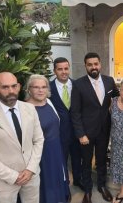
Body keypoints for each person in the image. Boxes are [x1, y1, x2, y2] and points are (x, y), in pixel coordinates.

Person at [0, 72, 44, 203]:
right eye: (5, 87)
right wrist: (14, 176)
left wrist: (30, 169)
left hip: (32, 175)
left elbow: (39, 140)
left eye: (14, 86)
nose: (11, 91)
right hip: (4, 182)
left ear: (19, 86)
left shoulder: (30, 109)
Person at [70, 52, 120, 203]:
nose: (93, 67)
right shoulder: (78, 84)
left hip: (104, 129)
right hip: (86, 132)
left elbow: (118, 96)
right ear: (85, 66)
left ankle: (102, 186)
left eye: (95, 64)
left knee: (102, 159)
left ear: (100, 64)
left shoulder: (109, 81)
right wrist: (80, 134)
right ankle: (87, 190)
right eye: (90, 64)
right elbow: (75, 111)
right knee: (86, 161)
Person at [26, 74, 70, 203]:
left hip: (55, 148)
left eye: (44, 87)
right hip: (40, 153)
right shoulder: (26, 108)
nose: (40, 90)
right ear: (29, 90)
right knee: (45, 181)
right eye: (36, 87)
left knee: (56, 178)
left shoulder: (49, 102)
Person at [49, 57, 83, 189]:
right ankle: (64, 184)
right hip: (58, 132)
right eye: (60, 69)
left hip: (76, 131)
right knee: (61, 159)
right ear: (54, 71)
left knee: (77, 157)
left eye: (66, 68)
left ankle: (78, 180)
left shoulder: (77, 85)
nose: (64, 72)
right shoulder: (48, 88)